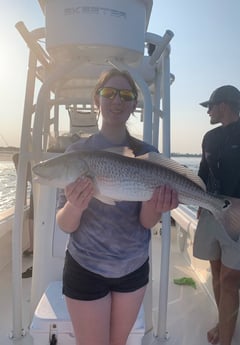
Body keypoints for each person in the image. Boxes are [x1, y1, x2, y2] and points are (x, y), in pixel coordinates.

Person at [56, 68, 179, 345]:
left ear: (134, 105)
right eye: (108, 93)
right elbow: (65, 224)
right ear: (96, 100)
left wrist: (157, 206)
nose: (116, 100)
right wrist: (75, 205)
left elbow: (147, 223)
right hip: (85, 266)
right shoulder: (75, 155)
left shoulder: (148, 154)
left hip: (132, 268)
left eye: (125, 95)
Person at [193, 85, 240, 345]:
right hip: (211, 212)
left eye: (210, 106)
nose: (207, 111)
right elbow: (203, 172)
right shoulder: (209, 137)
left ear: (223, 105)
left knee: (229, 280)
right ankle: (223, 322)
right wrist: (198, 199)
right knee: (216, 269)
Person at [12, 153, 34, 278]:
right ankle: (32, 247)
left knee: (32, 216)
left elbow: (23, 184)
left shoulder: (27, 169)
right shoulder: (29, 167)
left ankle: (32, 248)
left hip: (38, 190)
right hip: (37, 189)